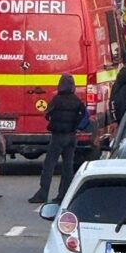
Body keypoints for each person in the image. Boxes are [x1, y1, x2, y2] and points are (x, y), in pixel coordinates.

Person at [28, 74, 86, 204]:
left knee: (49, 165)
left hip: (58, 136)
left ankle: (43, 193)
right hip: (72, 136)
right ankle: (64, 194)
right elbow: (84, 116)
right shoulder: (77, 101)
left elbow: (47, 114)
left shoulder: (57, 100)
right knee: (68, 166)